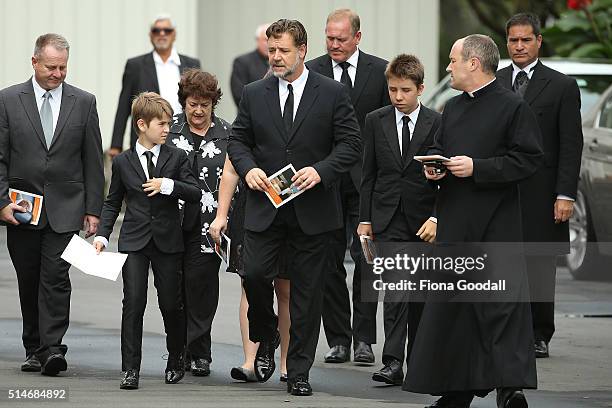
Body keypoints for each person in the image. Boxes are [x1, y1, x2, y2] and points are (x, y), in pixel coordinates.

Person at [403, 35, 542, 408]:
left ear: (474, 64)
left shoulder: (513, 107)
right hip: (457, 224)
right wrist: (435, 168)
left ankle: (509, 389)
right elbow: (437, 150)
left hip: (498, 226)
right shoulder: (451, 108)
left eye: (452, 60)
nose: (447, 67)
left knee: (500, 309)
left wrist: (477, 168)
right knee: (455, 310)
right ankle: (457, 392)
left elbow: (529, 160)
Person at [227, 19, 360, 396]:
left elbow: (350, 145)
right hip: (264, 207)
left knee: (306, 295)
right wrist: (249, 169)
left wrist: (320, 172)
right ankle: (265, 336)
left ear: (302, 50)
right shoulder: (255, 92)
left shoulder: (332, 92)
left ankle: (298, 371)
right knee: (253, 274)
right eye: (272, 50)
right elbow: (238, 141)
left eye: (283, 50)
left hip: (313, 211)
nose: (276, 57)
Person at [0, 33, 104, 376]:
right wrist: (1, 202)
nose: (58, 74)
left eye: (63, 67)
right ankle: (35, 348)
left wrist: (93, 210)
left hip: (66, 208)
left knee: (57, 278)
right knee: (29, 279)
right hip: (22, 209)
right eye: (51, 67)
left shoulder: (84, 102)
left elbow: (92, 160)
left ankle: (54, 348)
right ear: (34, 62)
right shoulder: (8, 100)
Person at [94, 92, 200, 390]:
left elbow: (194, 192)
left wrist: (168, 185)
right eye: (162, 124)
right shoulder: (124, 162)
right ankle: (130, 369)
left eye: (169, 123)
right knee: (134, 303)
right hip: (134, 241)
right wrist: (102, 234)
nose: (168, 129)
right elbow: (112, 202)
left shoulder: (177, 157)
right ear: (142, 124)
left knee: (171, 304)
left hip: (168, 241)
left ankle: (176, 358)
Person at [496, 12, 583, 359]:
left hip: (543, 193)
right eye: (513, 40)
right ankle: (504, 330)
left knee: (539, 265)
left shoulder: (561, 85)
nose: (519, 46)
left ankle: (539, 333)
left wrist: (565, 194)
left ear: (538, 41)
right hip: (501, 188)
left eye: (525, 40)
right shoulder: (494, 80)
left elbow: (570, 144)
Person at [306, 8, 390, 365]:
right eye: (329, 37)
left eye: (341, 38)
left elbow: (387, 129)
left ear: (358, 37)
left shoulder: (380, 71)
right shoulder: (311, 71)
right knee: (327, 263)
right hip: (324, 184)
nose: (334, 44)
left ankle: (364, 340)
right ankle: (338, 339)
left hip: (366, 186)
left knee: (367, 261)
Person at [357, 54, 440, 386]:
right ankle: (392, 361)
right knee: (395, 290)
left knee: (419, 293)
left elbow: (444, 177)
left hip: (423, 220)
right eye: (392, 90)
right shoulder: (375, 120)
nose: (398, 97)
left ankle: (419, 358)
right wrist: (365, 219)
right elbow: (369, 173)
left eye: (405, 90)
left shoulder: (437, 122)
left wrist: (437, 216)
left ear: (420, 88)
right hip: (387, 216)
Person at [165, 69, 231, 376]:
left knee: (202, 287)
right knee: (175, 288)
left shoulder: (228, 134)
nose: (199, 110)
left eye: (205, 103)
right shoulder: (169, 131)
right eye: (193, 103)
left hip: (211, 225)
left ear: (213, 103)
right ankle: (178, 351)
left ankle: (200, 352)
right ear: (184, 102)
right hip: (170, 222)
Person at [209, 156, 291, 383]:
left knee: (285, 289)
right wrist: (221, 215)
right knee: (249, 285)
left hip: (288, 203)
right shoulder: (246, 124)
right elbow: (230, 170)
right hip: (252, 207)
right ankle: (250, 361)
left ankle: (286, 362)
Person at [109, 15, 201, 157]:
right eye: (156, 30)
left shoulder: (191, 64)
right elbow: (123, 106)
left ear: (174, 34)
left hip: (184, 135)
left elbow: (199, 102)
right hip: (147, 138)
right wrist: (116, 144)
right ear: (150, 35)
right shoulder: (135, 66)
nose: (162, 34)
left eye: (167, 30)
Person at [230, 23, 271, 107]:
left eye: (271, 40)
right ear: (257, 40)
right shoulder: (242, 62)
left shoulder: (280, 62)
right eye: (265, 40)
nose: (269, 44)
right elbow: (239, 95)